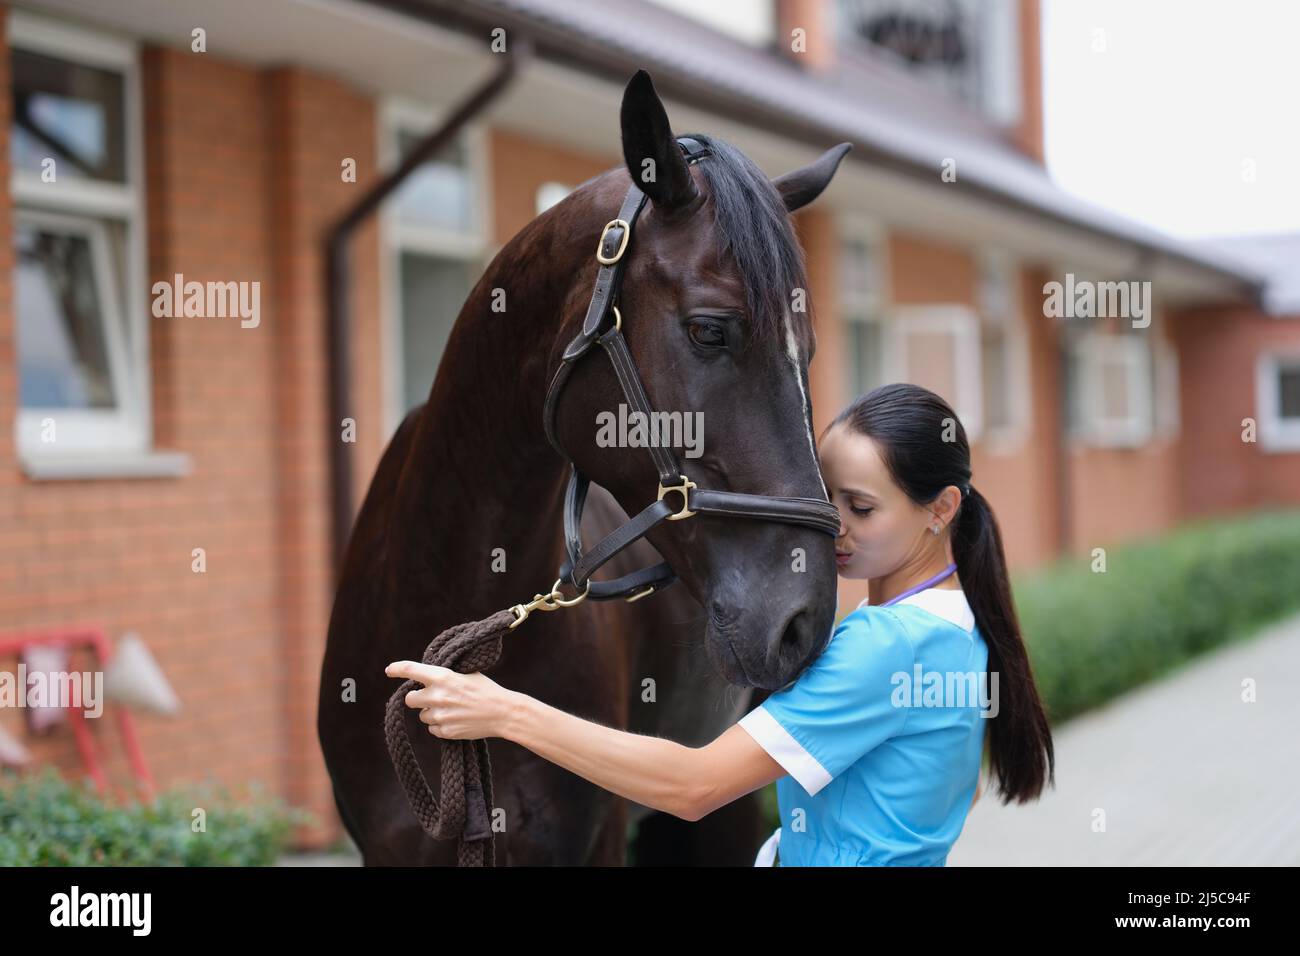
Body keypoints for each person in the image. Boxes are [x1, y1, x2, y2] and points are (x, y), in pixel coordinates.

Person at [387, 383, 1055, 865]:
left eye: (860, 507)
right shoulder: (961, 622)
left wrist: (504, 713)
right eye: (825, 500)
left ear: (940, 508)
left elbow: (694, 785)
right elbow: (957, 793)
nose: (834, 528)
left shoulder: (889, 643)